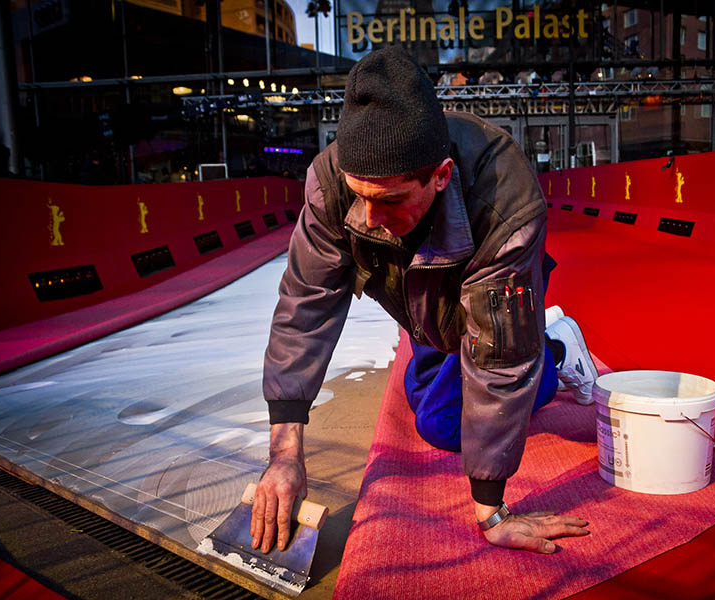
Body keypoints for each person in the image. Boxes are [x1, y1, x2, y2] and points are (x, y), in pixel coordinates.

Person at [253, 46, 598, 556]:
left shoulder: (503, 201)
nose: (368, 218)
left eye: (389, 200)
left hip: (493, 303)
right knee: (421, 395)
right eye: (359, 195)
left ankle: (556, 349)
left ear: (439, 176)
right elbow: (306, 306)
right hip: (422, 307)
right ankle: (501, 348)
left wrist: (491, 510)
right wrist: (284, 453)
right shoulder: (332, 184)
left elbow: (498, 362)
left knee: (441, 423)